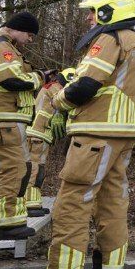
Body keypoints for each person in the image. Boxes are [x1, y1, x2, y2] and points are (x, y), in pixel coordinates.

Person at [36, 0, 135, 269]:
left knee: (73, 200)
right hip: (124, 135)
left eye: (93, 11)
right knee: (112, 201)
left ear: (109, 11)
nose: (88, 17)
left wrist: (58, 103)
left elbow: (84, 85)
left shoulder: (110, 39)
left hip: (96, 133)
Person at [0, 11, 46, 239]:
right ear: (16, 28)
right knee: (17, 168)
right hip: (2, 119)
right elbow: (12, 80)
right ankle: (10, 223)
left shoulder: (0, 45)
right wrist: (40, 77)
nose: (30, 39)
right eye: (29, 34)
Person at [24, 68, 76, 216]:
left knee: (36, 167)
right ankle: (30, 205)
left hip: (38, 133)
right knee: (35, 168)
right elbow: (66, 102)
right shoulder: (56, 89)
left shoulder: (51, 87)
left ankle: (33, 202)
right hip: (38, 133)